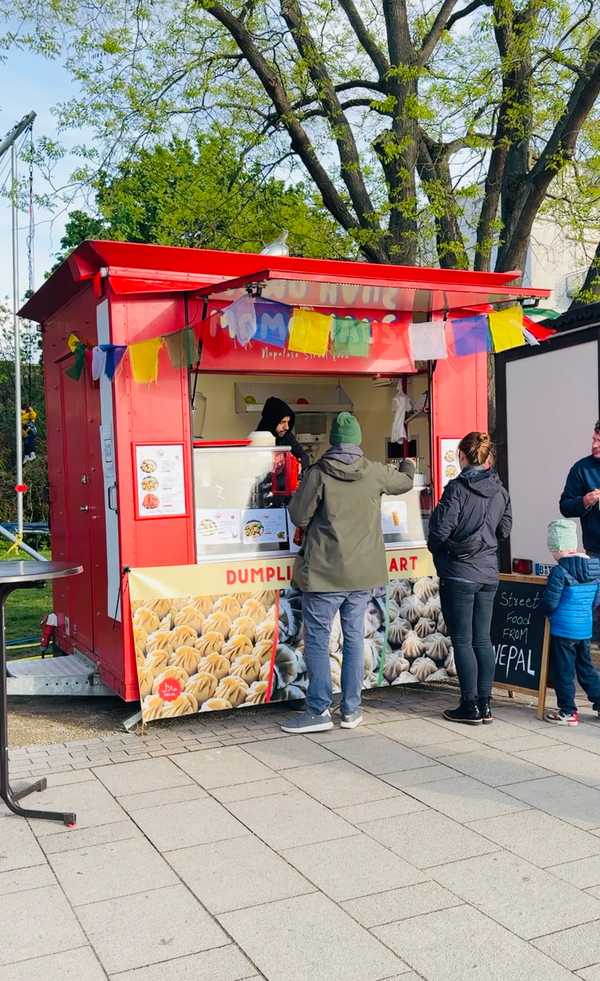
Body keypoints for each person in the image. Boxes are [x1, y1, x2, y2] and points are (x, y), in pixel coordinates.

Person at [280, 411, 415, 734]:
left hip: (325, 572)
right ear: (357, 441)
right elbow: (406, 481)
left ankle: (318, 710)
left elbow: (298, 515)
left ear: (334, 442)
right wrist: (408, 462)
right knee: (354, 638)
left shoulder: (319, 473)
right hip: (362, 575)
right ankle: (352, 710)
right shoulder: (374, 472)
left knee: (317, 639)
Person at [427, 432, 512, 725]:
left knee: (463, 640)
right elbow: (504, 529)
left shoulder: (457, 489)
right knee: (482, 639)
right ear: (487, 457)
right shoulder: (500, 490)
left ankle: (469, 705)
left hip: (459, 573)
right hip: (488, 571)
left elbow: (438, 532)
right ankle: (486, 704)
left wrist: (448, 549)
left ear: (462, 456)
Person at [541, 518, 600, 725]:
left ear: (557, 548)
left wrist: (543, 610)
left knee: (564, 672)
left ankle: (568, 712)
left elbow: (550, 602)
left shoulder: (559, 571)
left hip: (563, 629)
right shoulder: (595, 567)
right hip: (584, 628)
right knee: (586, 668)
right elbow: (596, 600)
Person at [560, 421, 600, 558]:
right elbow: (565, 507)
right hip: (595, 553)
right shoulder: (581, 469)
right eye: (594, 439)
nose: (594, 445)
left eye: (599, 441)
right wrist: (584, 501)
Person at [256, 396, 309, 473]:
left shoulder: (287, 436)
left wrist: (299, 464)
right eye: (282, 422)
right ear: (271, 422)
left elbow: (304, 457)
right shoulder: (258, 439)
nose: (287, 427)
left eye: (288, 422)